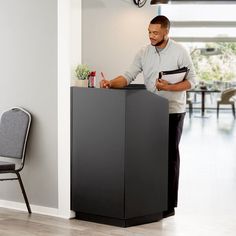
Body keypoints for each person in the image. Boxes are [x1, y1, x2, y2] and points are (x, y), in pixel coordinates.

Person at [100, 15, 196, 218]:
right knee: (149, 157)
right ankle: (151, 200)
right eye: (149, 32)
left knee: (169, 158)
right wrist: (110, 83)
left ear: (166, 32)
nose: (151, 36)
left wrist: (170, 87)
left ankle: (168, 205)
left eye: (156, 33)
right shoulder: (143, 52)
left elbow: (192, 81)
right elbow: (128, 76)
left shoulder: (180, 51)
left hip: (173, 111)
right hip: (149, 112)